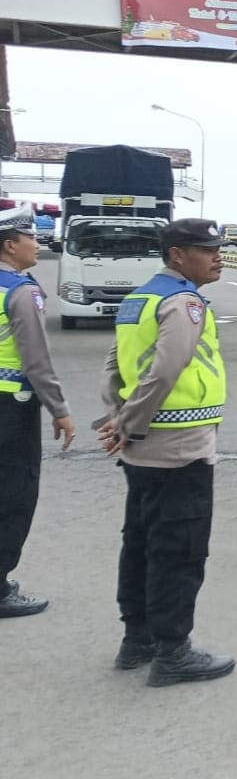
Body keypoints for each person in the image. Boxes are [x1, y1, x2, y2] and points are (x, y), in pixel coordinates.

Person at [95, 219, 235, 686]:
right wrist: (128, 423)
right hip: (178, 446)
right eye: (206, 250)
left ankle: (137, 640)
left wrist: (118, 416)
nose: (217, 256)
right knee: (180, 547)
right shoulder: (184, 302)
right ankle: (173, 651)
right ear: (177, 255)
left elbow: (115, 365)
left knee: (140, 541)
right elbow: (165, 369)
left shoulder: (141, 298)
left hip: (142, 446)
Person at [0, 203, 74, 618]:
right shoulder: (20, 291)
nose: (36, 243)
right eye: (30, 237)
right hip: (12, 409)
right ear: (11, 245)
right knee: (14, 495)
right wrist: (59, 409)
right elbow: (36, 359)